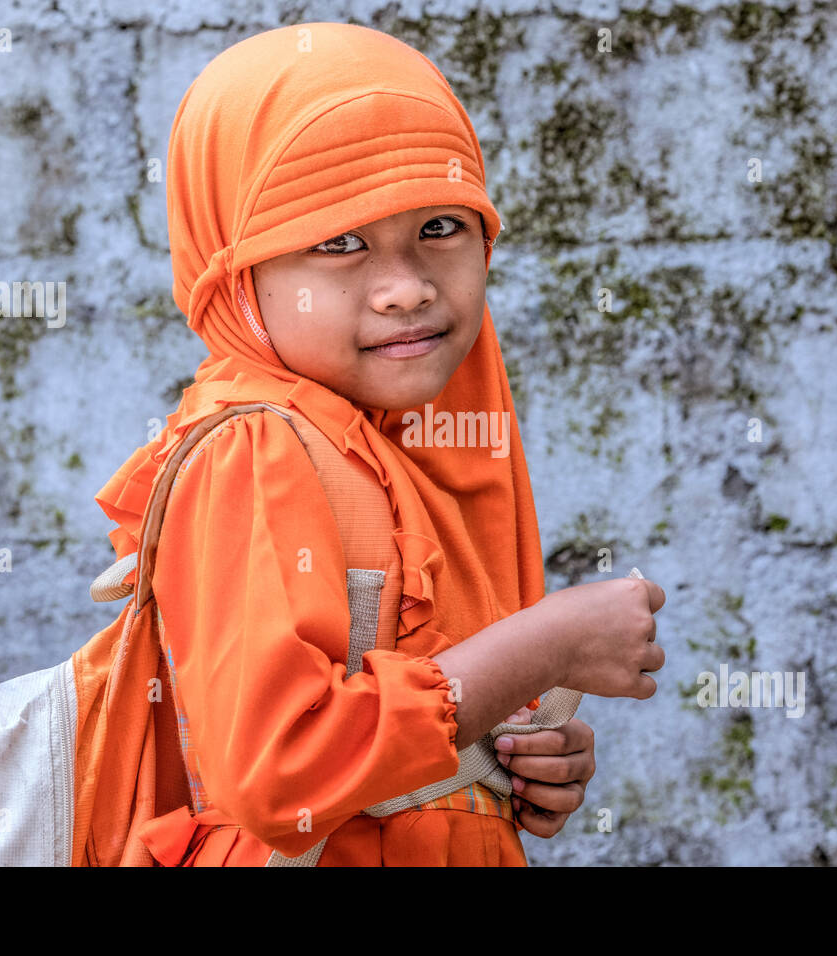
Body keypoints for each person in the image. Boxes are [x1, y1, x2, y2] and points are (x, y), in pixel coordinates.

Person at [93, 21, 666, 866]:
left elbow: (406, 735)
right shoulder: (254, 449)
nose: (406, 288)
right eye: (338, 242)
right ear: (234, 275)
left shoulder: (405, 446)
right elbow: (278, 773)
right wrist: (542, 647)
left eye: (441, 226)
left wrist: (507, 762)